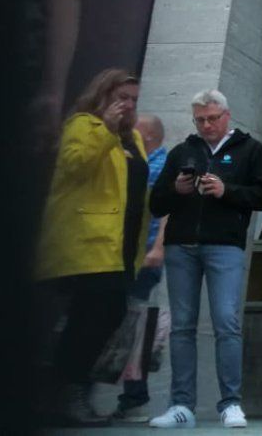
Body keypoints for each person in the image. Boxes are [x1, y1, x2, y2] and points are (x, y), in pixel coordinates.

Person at [148, 89, 262, 429]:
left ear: (227, 116)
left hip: (225, 245)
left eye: (213, 118)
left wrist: (226, 190)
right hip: (181, 245)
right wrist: (177, 189)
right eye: (200, 120)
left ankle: (231, 403)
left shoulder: (250, 149)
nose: (206, 125)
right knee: (182, 326)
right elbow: (156, 204)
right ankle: (181, 405)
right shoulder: (183, 151)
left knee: (226, 322)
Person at [35, 68, 150, 426]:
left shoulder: (134, 139)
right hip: (89, 240)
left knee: (103, 316)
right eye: (122, 98)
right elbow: (74, 166)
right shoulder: (84, 125)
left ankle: (66, 392)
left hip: (121, 244)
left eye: (133, 100)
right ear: (103, 96)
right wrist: (106, 130)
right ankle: (66, 393)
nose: (128, 105)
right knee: (96, 315)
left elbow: (137, 188)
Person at [113, 114, 169, 421]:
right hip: (121, 253)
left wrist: (158, 248)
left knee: (134, 325)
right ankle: (131, 397)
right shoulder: (136, 162)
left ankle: (134, 397)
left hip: (143, 255)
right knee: (122, 322)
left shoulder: (160, 166)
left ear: (146, 136)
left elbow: (167, 211)